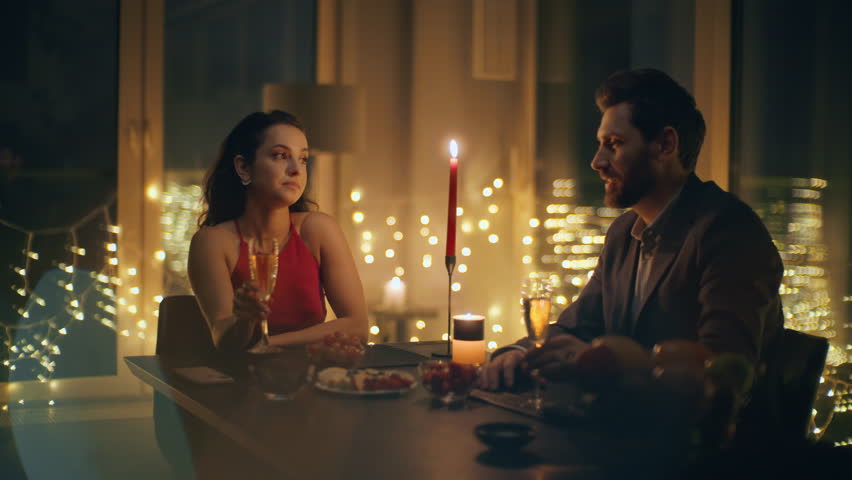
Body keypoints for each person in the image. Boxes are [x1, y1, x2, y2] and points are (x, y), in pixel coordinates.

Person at [479, 68, 784, 432]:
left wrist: (609, 361)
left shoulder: (729, 231)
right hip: (625, 436)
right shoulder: (624, 233)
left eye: (614, 143)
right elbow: (580, 326)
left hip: (705, 455)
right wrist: (519, 354)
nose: (597, 161)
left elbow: (724, 372)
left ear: (665, 144)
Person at [188, 110, 368, 353]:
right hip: (241, 383)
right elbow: (224, 340)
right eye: (280, 156)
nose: (296, 169)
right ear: (244, 167)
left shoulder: (318, 230)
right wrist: (244, 319)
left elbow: (358, 327)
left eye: (303, 159)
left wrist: (269, 343)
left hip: (312, 379)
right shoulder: (212, 242)